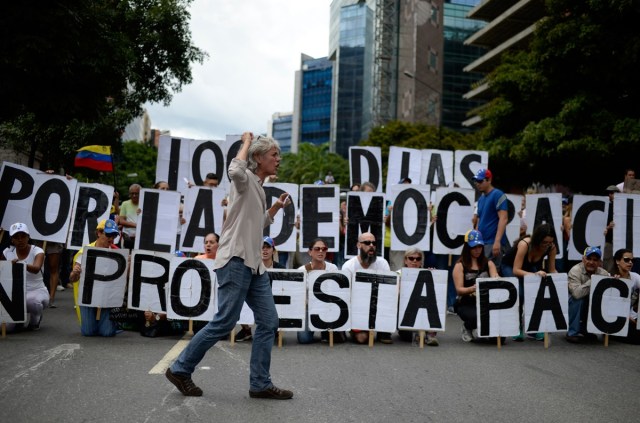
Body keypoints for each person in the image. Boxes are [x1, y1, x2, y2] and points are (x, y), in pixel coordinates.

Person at [165, 132, 293, 399]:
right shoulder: (244, 179)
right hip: (235, 260)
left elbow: (258, 224)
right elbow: (235, 168)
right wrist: (246, 141)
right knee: (225, 322)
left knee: (269, 321)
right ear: (258, 158)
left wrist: (276, 209)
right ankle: (180, 368)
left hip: (254, 265)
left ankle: (260, 384)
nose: (278, 159)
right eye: (274, 155)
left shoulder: (258, 187)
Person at [501, 223, 557, 341]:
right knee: (519, 293)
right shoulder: (525, 244)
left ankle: (534, 328)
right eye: (544, 242)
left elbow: (552, 270)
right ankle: (517, 327)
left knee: (536, 293)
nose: (547, 245)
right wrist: (534, 274)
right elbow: (516, 270)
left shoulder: (551, 248)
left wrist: (562, 280)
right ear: (537, 239)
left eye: (549, 242)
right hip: (510, 266)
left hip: (529, 267)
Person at [69, 219, 121, 337]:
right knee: (88, 332)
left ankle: (110, 323)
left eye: (114, 236)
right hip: (88, 297)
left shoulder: (118, 253)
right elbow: (73, 279)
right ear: (99, 233)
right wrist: (75, 273)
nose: (111, 239)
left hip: (107, 297)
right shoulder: (85, 251)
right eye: (108, 235)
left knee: (107, 333)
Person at [341, 232, 392, 344]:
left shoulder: (382, 263)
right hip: (357, 309)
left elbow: (388, 291)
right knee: (362, 339)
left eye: (374, 243)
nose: (371, 245)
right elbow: (345, 295)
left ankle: (383, 331)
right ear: (359, 245)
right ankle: (354, 329)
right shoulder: (349, 266)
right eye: (367, 243)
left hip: (378, 306)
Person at [234, 236, 285, 342]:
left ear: (273, 250)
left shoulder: (281, 268)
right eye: (262, 247)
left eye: (268, 247)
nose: (264, 250)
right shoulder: (249, 267)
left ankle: (275, 329)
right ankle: (246, 330)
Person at [452, 230, 499, 342]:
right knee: (476, 316)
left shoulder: (489, 263)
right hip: (466, 302)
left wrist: (497, 278)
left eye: (480, 246)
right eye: (474, 247)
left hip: (485, 301)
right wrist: (472, 288)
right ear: (467, 247)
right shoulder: (460, 265)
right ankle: (468, 326)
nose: (477, 250)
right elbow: (459, 290)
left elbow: (495, 278)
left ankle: (482, 328)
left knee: (499, 339)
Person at [1, 222, 48, 331]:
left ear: (28, 237)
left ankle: (35, 319)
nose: (20, 240)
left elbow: (36, 269)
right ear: (12, 239)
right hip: (14, 295)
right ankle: (18, 321)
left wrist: (21, 264)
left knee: (33, 302)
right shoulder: (7, 252)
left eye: (23, 236)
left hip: (36, 291)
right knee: (6, 328)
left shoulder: (38, 251)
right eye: (16, 237)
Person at [296, 238, 340, 344]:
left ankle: (326, 329)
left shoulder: (333, 268)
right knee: (304, 339)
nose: (321, 251)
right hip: (308, 309)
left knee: (333, 338)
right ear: (310, 252)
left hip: (328, 308)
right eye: (317, 249)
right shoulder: (302, 271)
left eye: (323, 249)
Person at [566, 246, 610, 343]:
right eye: (589, 259)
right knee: (578, 299)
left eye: (595, 260)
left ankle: (587, 329)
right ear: (583, 259)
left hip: (590, 302)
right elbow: (577, 294)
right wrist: (594, 280)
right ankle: (572, 332)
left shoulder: (604, 273)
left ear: (600, 262)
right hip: (571, 304)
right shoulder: (575, 270)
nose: (591, 262)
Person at [396, 248, 439, 346]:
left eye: (418, 259)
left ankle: (430, 334)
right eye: (411, 258)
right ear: (406, 261)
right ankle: (421, 335)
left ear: (421, 262)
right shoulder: (398, 274)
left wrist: (436, 277)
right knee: (408, 336)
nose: (414, 261)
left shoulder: (427, 273)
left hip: (423, 310)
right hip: (405, 313)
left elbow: (438, 295)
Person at [472, 168, 508, 267]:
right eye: (476, 181)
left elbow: (503, 219)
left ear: (489, 180)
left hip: (492, 243)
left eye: (480, 181)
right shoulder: (481, 199)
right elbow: (479, 222)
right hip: (483, 243)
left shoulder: (498, 195)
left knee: (491, 275)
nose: (477, 183)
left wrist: (497, 242)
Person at [608, 248, 640, 344]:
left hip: (631, 317)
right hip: (614, 319)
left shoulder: (635, 276)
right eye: (626, 260)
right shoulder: (609, 276)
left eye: (632, 260)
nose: (630, 263)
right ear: (617, 261)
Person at [119, 183, 141, 249]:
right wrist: (137, 225)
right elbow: (121, 221)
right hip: (127, 237)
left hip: (140, 237)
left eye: (136, 193)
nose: (134, 195)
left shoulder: (145, 203)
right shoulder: (125, 204)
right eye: (132, 193)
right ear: (129, 194)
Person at [603, 185, 619, 271]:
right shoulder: (605, 207)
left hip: (622, 242)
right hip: (609, 241)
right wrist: (608, 227)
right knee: (608, 265)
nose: (610, 195)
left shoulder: (624, 207)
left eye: (612, 193)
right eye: (609, 193)